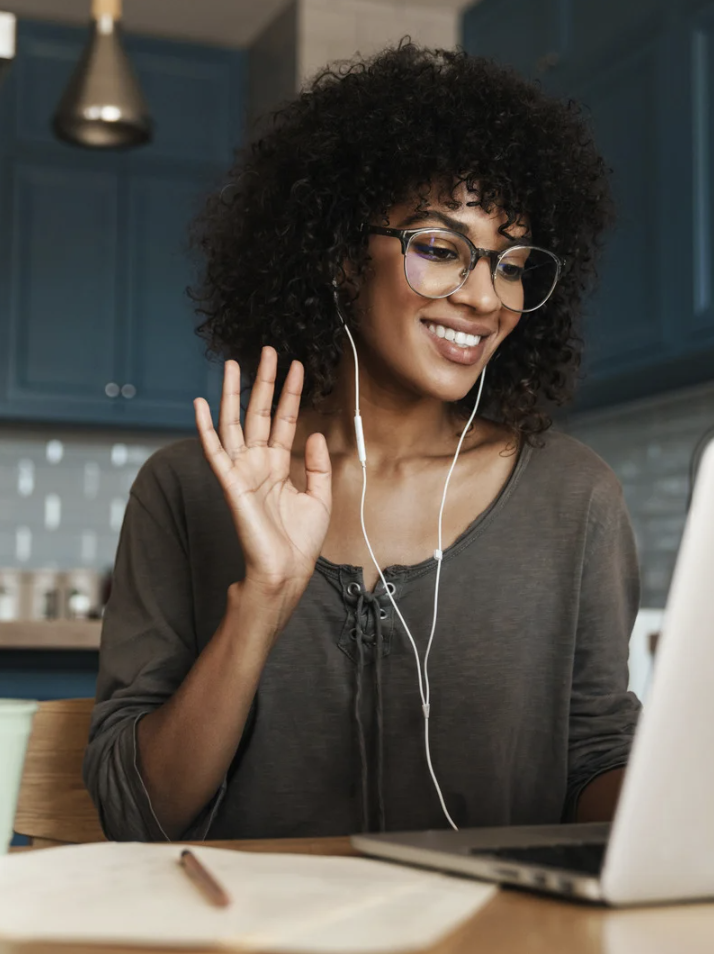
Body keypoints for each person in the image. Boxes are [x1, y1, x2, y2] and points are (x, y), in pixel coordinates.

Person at [83, 42, 641, 842]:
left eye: (513, 264)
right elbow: (138, 814)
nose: (486, 298)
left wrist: (703, 808)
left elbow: (595, 760)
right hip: (255, 913)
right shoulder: (186, 489)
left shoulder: (573, 498)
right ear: (344, 258)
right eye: (441, 249)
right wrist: (263, 602)